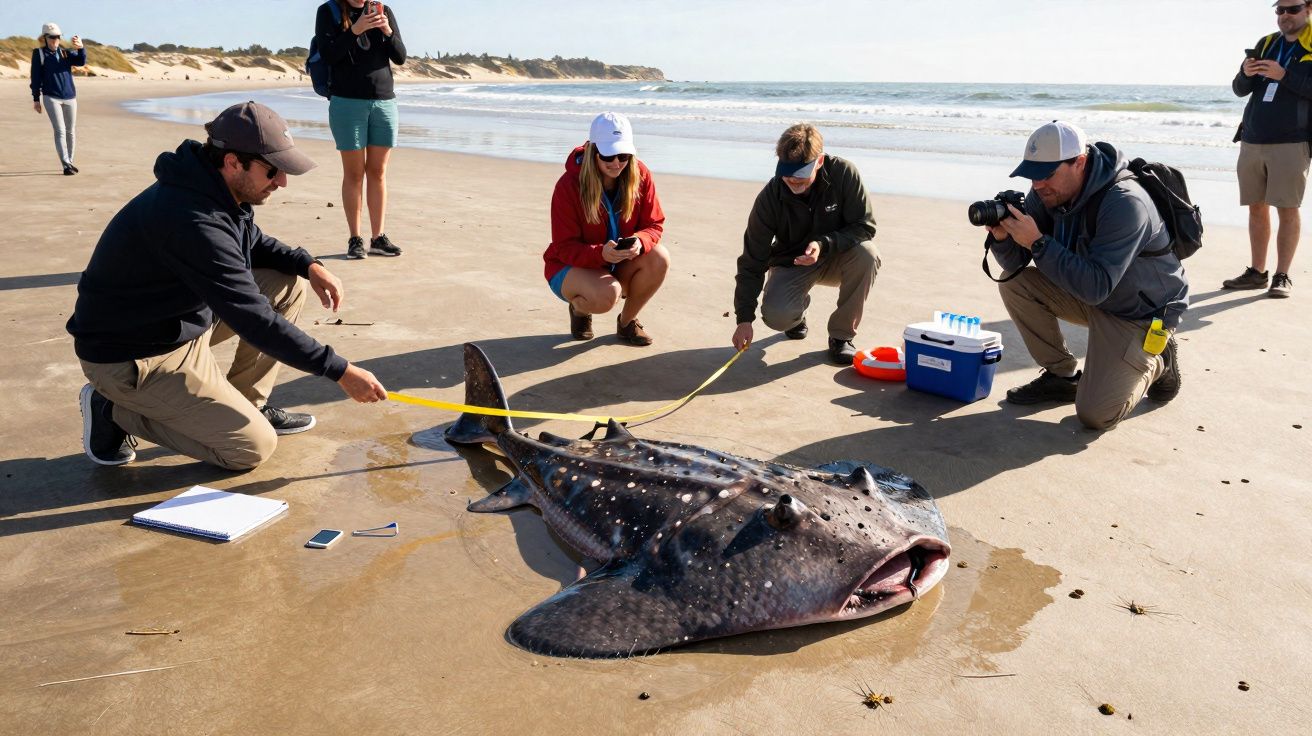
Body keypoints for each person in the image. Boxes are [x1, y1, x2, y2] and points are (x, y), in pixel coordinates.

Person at [66, 102, 388, 470]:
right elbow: (254, 319)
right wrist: (341, 371)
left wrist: (308, 264)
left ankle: (249, 404)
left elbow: (251, 239)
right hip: (133, 359)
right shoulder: (192, 219)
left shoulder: (214, 187)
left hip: (176, 326)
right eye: (273, 171)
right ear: (234, 162)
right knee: (250, 449)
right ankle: (113, 410)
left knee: (287, 285)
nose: (281, 182)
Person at [980, 121, 1189, 430]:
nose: (1037, 185)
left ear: (1079, 162)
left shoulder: (1125, 202)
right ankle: (1061, 377)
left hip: (1140, 312)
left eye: (1047, 174)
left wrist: (1038, 242)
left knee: (1095, 415)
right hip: (1096, 294)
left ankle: (1160, 359)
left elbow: (1096, 288)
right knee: (1017, 282)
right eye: (1032, 175)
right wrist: (1002, 239)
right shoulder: (1046, 192)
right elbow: (1019, 261)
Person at [731, 124, 879, 364]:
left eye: (800, 173)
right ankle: (798, 314)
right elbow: (752, 259)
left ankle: (841, 336)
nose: (792, 180)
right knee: (777, 318)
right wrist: (744, 319)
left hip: (838, 258)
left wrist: (824, 244)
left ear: (819, 162)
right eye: (786, 172)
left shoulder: (844, 173)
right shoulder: (771, 196)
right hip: (792, 262)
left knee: (867, 254)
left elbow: (865, 226)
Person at [544, 112, 670, 346]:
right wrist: (599, 253)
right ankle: (580, 310)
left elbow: (654, 224)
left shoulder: (640, 173)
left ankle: (627, 322)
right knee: (606, 295)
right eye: (608, 155)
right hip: (570, 266)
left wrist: (640, 241)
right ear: (593, 150)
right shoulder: (569, 185)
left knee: (660, 257)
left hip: (616, 262)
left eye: (623, 155)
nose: (616, 163)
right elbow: (563, 247)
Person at [1226, 0, 1312, 298]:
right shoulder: (1265, 43)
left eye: (1292, 9)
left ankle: (1282, 275)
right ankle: (1257, 272)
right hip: (1253, 138)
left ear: (1308, 9)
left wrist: (1284, 75)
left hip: (1292, 141)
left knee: (1287, 208)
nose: (1285, 15)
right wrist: (1247, 73)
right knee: (1256, 207)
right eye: (1280, 10)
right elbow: (1239, 89)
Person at [314, 0, 406, 260]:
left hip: (384, 101)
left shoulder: (384, 11)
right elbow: (330, 54)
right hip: (347, 103)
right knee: (354, 174)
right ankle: (355, 239)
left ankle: (378, 238)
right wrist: (355, 29)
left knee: (377, 172)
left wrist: (387, 30)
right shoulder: (328, 11)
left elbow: (400, 57)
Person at [29, 22, 85, 175]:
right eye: (52, 37)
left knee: (70, 131)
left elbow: (81, 61)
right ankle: (66, 165)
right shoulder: (39, 54)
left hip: (70, 97)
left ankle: (70, 162)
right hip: (50, 97)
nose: (55, 40)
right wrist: (36, 99)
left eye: (58, 37)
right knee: (60, 130)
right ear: (45, 38)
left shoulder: (65, 53)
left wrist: (80, 48)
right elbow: (35, 78)